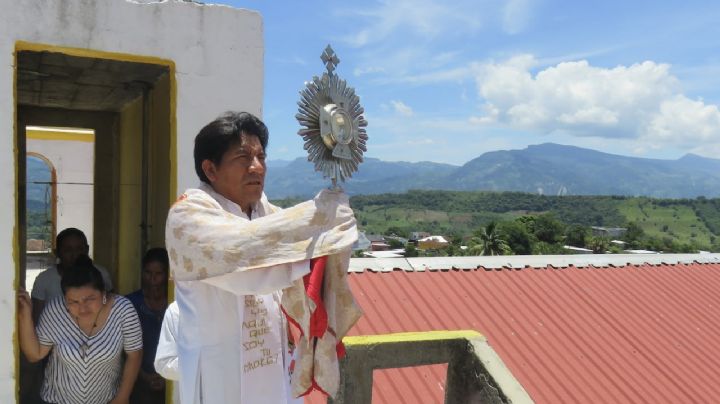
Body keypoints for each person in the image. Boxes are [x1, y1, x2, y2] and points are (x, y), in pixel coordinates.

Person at [163, 111, 360, 403]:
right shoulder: (187, 218)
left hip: (272, 368)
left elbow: (298, 246)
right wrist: (322, 219)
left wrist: (329, 234)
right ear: (210, 169)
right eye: (243, 158)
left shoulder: (268, 215)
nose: (256, 167)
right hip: (219, 377)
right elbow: (249, 265)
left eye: (261, 157)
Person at [17, 255, 143, 404]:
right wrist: (25, 315)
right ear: (65, 299)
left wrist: (122, 397)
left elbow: (135, 354)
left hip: (107, 400)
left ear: (103, 293)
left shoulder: (123, 310)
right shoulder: (56, 309)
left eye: (89, 299)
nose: (82, 308)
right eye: (73, 302)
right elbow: (35, 354)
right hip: (57, 400)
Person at [32, 228, 114, 322]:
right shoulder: (44, 280)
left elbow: (112, 309)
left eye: (80, 249)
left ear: (87, 250)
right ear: (57, 253)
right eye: (68, 250)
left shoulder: (101, 274)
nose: (75, 255)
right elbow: (37, 319)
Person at [126, 248, 170, 404]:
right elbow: (122, 349)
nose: (152, 279)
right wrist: (143, 375)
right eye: (148, 273)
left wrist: (167, 378)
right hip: (137, 383)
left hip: (174, 381)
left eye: (158, 274)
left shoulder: (177, 305)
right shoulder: (129, 304)